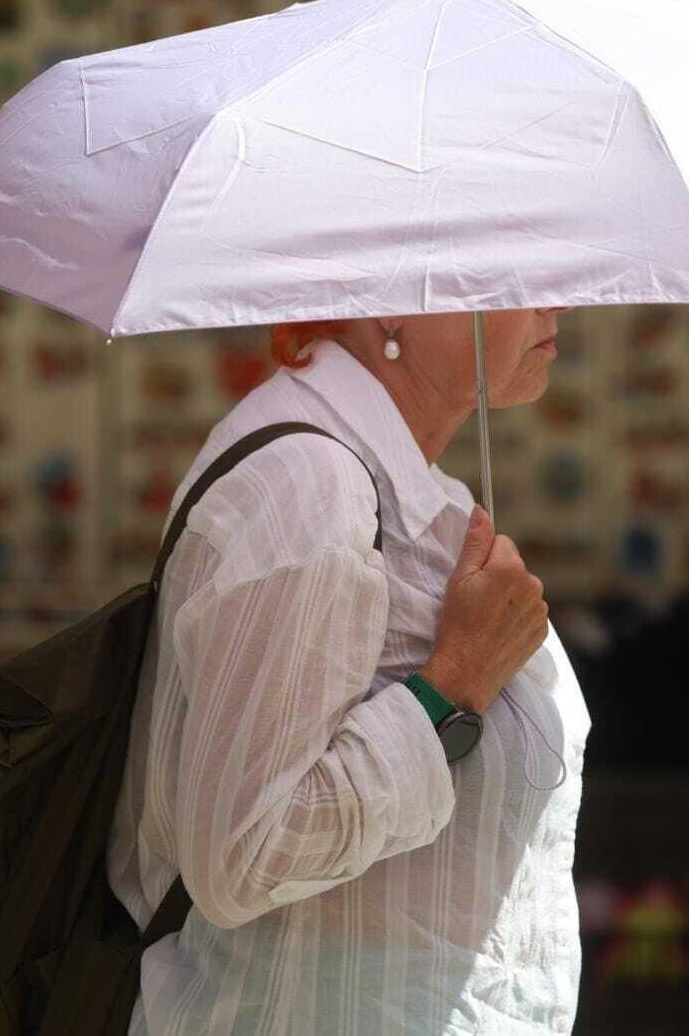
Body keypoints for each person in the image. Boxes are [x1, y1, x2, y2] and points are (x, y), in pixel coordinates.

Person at [108, 309, 592, 1036]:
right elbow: (247, 852)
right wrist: (454, 683)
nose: (556, 301)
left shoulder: (402, 487)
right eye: (507, 270)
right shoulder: (310, 484)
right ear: (391, 298)